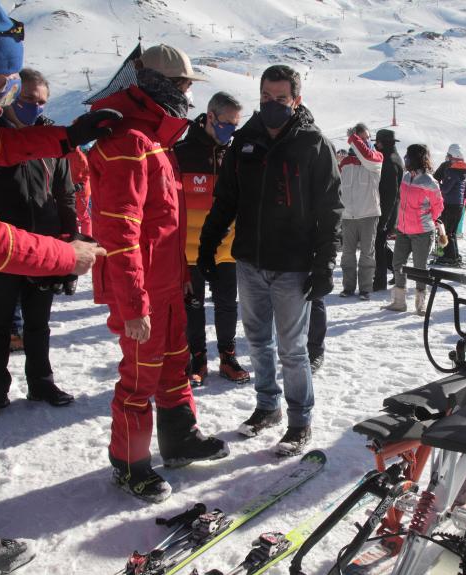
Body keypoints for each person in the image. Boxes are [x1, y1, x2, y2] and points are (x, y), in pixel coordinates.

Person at [0, 1, 110, 570]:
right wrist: (65, 256)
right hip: (8, 258)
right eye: (3, 78)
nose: (8, 90)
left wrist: (67, 137)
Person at [89, 44, 229, 503]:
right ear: (163, 86)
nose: (188, 96)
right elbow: (119, 232)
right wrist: (133, 304)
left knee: (174, 366)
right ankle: (128, 463)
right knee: (138, 379)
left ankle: (179, 441)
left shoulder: (156, 141)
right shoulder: (128, 142)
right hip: (142, 290)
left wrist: (184, 280)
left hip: (167, 284)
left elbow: (163, 226)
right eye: (185, 86)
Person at [198, 64, 342, 456]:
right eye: (266, 98)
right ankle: (267, 407)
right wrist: (208, 244)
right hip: (248, 261)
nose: (272, 105)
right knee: (258, 341)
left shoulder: (314, 144)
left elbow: (330, 210)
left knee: (292, 349)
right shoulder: (246, 140)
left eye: (281, 99)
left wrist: (324, 263)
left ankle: (299, 422)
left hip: (293, 265)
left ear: (296, 100)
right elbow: (226, 197)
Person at [0, 68, 78, 419]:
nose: (34, 108)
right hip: (2, 245)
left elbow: (65, 195)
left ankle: (41, 381)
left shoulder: (51, 140)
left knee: (38, 321)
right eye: (26, 101)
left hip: (44, 245)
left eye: (40, 102)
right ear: (10, 98)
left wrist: (70, 240)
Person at [173, 91, 249, 386]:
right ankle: (198, 358)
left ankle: (227, 357)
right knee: (192, 306)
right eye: (227, 123)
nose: (230, 130)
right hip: (190, 249)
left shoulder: (235, 154)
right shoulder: (180, 153)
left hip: (226, 248)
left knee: (227, 305)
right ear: (211, 116)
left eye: (236, 125)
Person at [383, 144, 444, 315]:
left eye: (408, 156)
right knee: (398, 264)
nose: (405, 159)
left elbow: (438, 206)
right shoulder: (405, 177)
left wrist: (427, 218)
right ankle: (399, 301)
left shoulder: (429, 182)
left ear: (417, 158)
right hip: (403, 230)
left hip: (422, 232)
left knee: (419, 268)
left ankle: (420, 304)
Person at [338, 123, 383, 300]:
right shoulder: (345, 163)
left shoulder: (376, 158)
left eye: (367, 138)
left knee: (367, 254)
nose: (366, 141)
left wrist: (355, 139)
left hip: (369, 214)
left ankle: (365, 288)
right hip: (348, 216)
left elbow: (367, 156)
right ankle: (348, 287)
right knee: (347, 255)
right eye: (361, 138)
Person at [372, 129, 403, 292]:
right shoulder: (393, 156)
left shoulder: (389, 161)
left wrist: (384, 220)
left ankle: (379, 282)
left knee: (378, 244)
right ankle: (399, 271)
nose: (375, 145)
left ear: (382, 143)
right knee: (380, 244)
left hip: (386, 211)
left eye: (377, 142)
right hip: (390, 210)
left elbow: (391, 193)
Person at [433, 144, 466, 266]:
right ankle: (453, 255)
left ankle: (448, 256)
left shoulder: (452, 170)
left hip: (449, 204)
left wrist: (436, 185)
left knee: (445, 231)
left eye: (449, 156)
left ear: (453, 156)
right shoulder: (464, 169)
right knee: (451, 232)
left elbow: (445, 189)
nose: (447, 158)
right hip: (458, 204)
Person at [67, 143, 92, 236]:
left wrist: (81, 184)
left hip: (82, 191)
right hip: (71, 189)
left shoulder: (80, 156)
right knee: (73, 215)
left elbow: (88, 172)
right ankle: (76, 235)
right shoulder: (66, 155)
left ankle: (87, 237)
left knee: (83, 216)